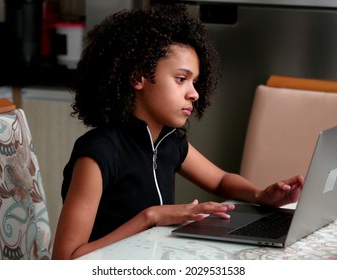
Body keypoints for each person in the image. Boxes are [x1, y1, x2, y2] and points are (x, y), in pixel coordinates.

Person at [52, 3, 304, 260]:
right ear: (138, 77)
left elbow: (220, 180)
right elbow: (65, 259)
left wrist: (260, 194)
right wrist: (151, 217)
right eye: (181, 79)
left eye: (194, 82)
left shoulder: (170, 140)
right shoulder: (98, 153)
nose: (194, 93)